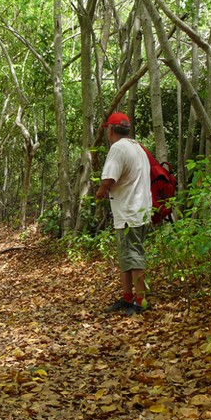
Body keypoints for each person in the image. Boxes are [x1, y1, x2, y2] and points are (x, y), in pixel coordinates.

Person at [95, 112, 153, 315]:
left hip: (130, 212)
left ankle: (140, 301)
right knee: (126, 257)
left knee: (134, 256)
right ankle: (128, 298)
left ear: (110, 130)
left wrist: (100, 192)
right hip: (138, 210)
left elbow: (109, 178)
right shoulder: (137, 147)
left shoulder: (118, 149)